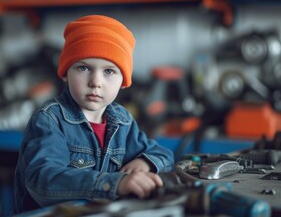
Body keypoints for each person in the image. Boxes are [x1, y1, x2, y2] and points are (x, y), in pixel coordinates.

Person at [12, 15, 174, 214]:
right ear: (64, 73)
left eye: (109, 71)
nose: (95, 82)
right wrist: (114, 183)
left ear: (123, 81)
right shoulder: (50, 120)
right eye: (83, 68)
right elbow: (44, 181)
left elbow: (163, 155)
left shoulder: (123, 121)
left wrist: (145, 162)